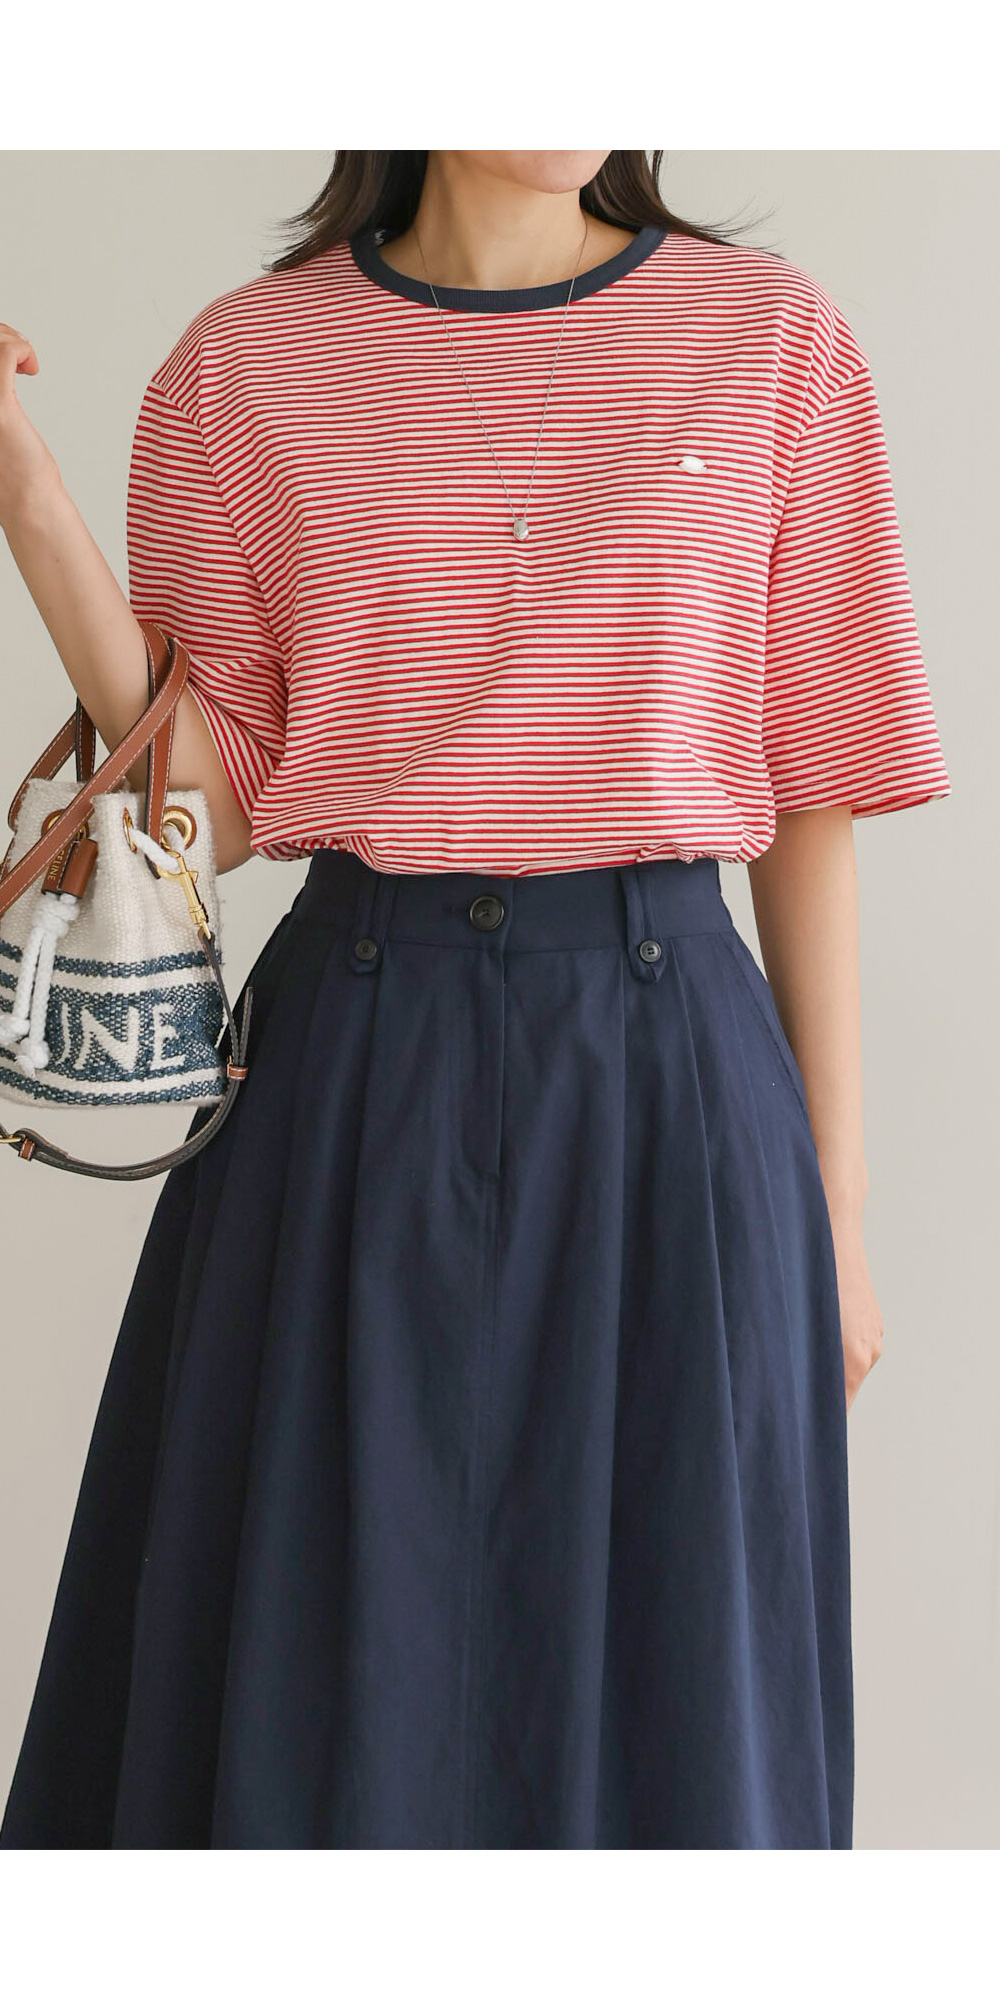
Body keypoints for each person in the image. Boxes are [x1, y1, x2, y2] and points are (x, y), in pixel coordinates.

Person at [0, 149, 950, 1848]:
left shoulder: (772, 339)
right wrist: (26, 496)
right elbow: (213, 801)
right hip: (354, 1069)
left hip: (671, 1085)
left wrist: (843, 1214)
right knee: (324, 1703)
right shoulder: (244, 364)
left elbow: (815, 782)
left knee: (678, 1718)